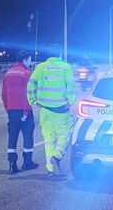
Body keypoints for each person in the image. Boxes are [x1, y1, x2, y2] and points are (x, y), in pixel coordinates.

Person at [27, 43, 76, 177]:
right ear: (60, 54)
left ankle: (50, 168)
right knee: (66, 132)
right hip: (61, 110)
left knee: (49, 140)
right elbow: (70, 86)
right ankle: (58, 155)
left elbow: (31, 83)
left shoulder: (41, 67)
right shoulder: (65, 67)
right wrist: (70, 101)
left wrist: (33, 100)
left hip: (46, 110)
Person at [1, 51, 38, 174]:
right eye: (29, 60)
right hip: (24, 112)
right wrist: (26, 112)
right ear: (25, 60)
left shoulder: (8, 74)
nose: (30, 62)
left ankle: (12, 164)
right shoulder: (27, 74)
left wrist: (9, 110)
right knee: (27, 137)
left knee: (12, 138)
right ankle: (27, 162)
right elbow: (28, 95)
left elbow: (4, 96)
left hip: (12, 112)